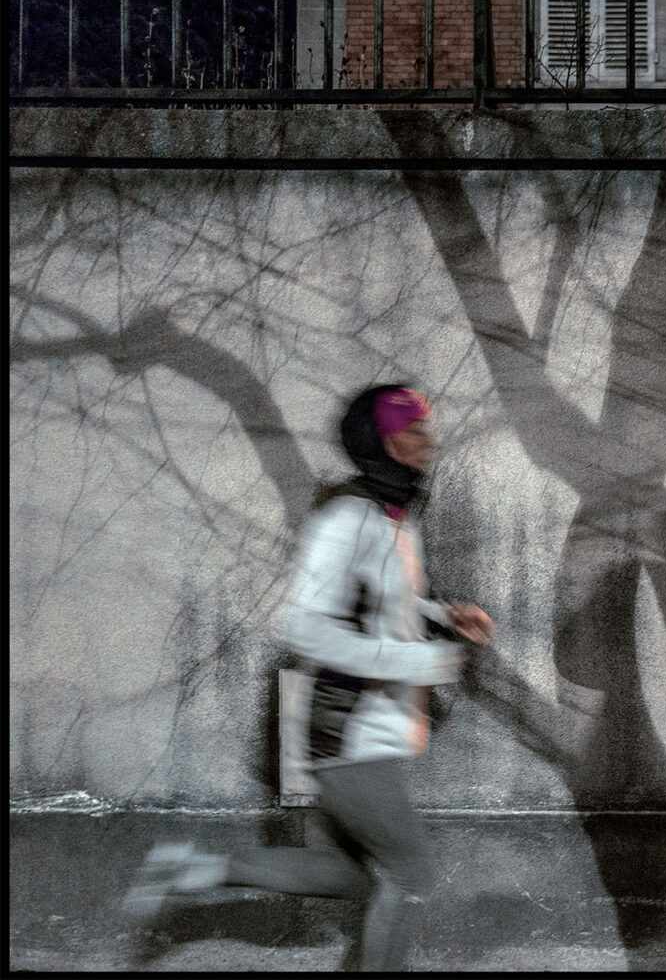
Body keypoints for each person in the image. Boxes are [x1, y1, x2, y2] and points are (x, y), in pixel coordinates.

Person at [125, 384, 495, 971]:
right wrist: (417, 662)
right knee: (411, 871)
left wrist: (442, 615)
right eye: (415, 431)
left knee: (348, 875)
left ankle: (191, 867)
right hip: (343, 725)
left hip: (364, 722)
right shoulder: (347, 517)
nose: (431, 442)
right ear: (384, 443)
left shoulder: (391, 515)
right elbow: (302, 626)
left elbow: (379, 601)